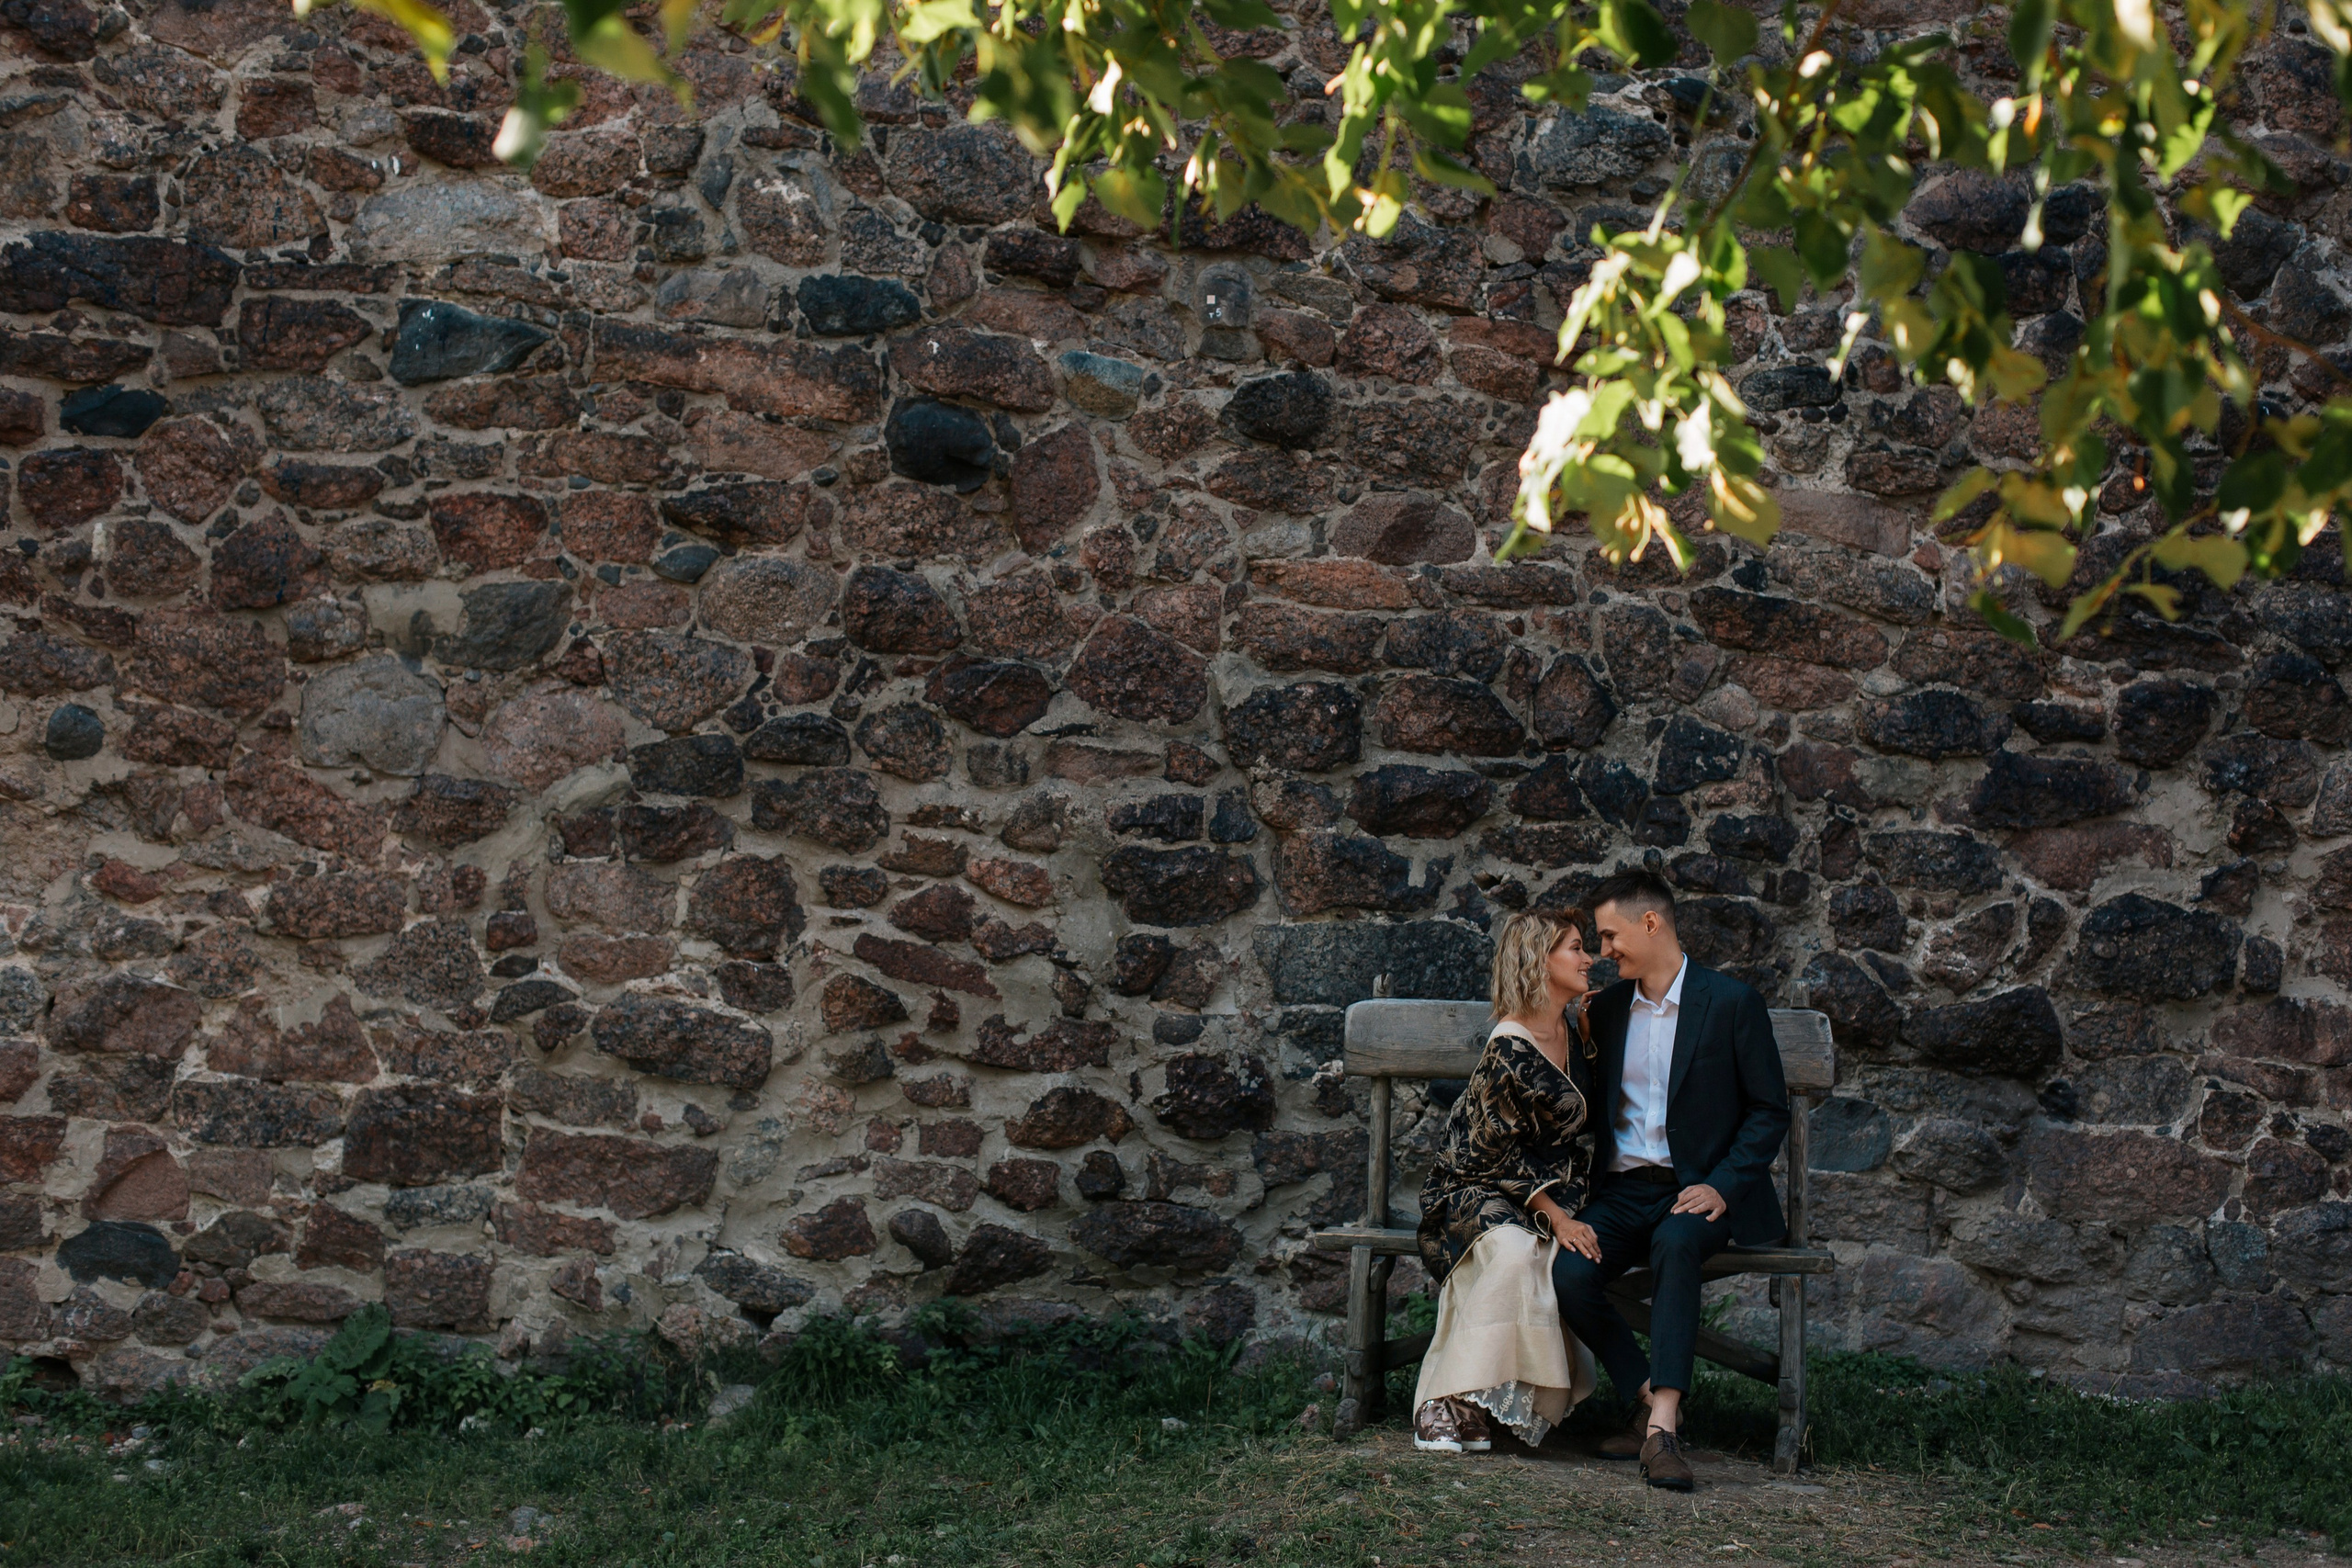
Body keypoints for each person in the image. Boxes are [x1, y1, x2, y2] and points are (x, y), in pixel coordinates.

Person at [1555, 868, 1792, 1491]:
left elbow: (1769, 1108)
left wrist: (1723, 1184)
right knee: (1571, 1272)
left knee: (1679, 1241)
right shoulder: (1602, 1011)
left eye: (1610, 935)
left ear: (1650, 921)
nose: (1605, 951)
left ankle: (1661, 1430)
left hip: (1696, 1189)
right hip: (1622, 1191)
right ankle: (1649, 1396)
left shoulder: (1732, 1003)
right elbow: (1572, 1101)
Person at [1409, 908, 1603, 1453]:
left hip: (1547, 1188)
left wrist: (1592, 1029)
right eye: (1575, 948)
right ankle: (1444, 1399)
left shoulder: (1569, 1028)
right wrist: (1559, 1216)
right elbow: (1495, 1158)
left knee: (1546, 1254)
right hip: (1473, 1185)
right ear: (1538, 961)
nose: (1588, 958)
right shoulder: (1509, 1047)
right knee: (1518, 1252)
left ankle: (1479, 1401)